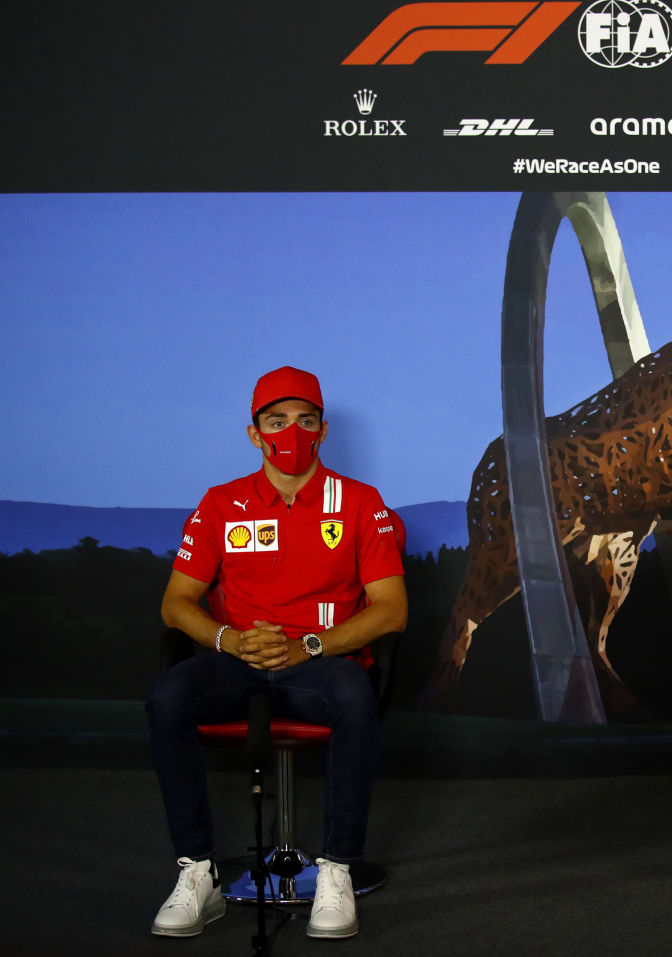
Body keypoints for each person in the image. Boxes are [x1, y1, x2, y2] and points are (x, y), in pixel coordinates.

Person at [146, 366, 406, 940]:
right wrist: (229, 639)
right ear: (255, 433)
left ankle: (334, 869)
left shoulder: (361, 503)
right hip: (237, 658)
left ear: (323, 430)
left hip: (319, 661)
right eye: (277, 421)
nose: (291, 432)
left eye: (305, 421)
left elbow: (391, 610)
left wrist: (305, 646)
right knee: (168, 696)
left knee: (354, 698)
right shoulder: (221, 503)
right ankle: (198, 873)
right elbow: (177, 604)